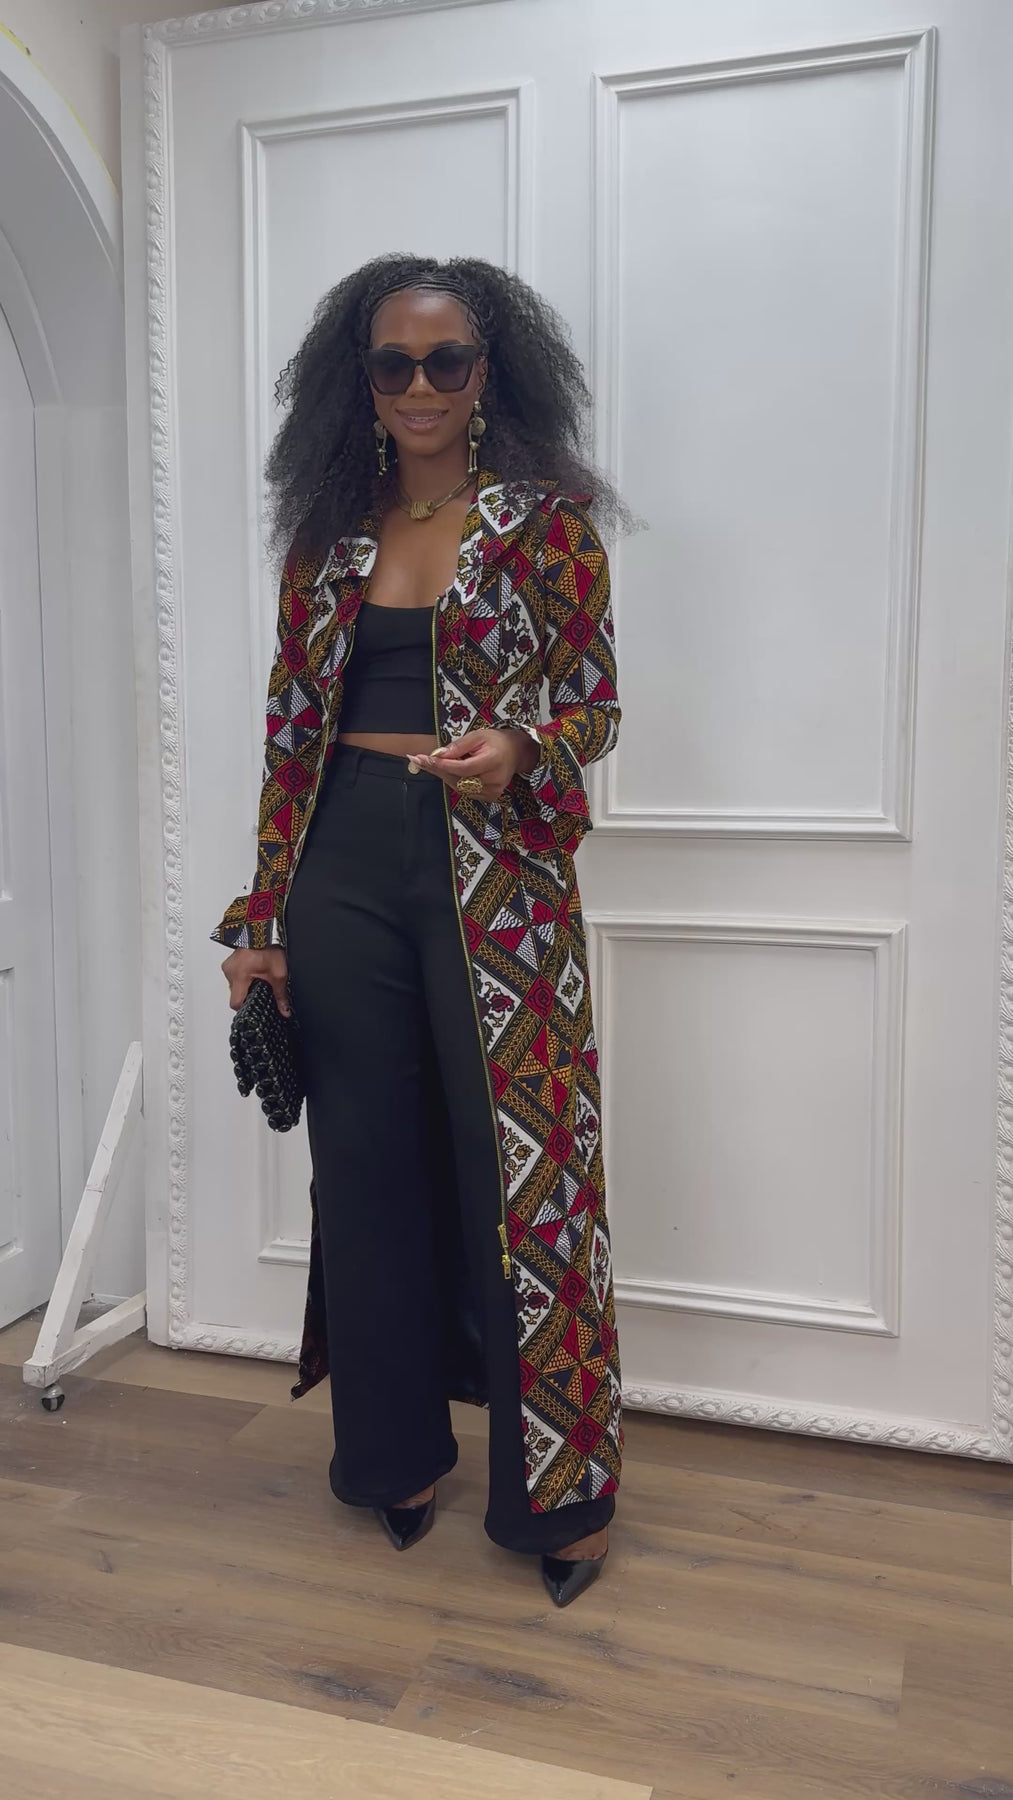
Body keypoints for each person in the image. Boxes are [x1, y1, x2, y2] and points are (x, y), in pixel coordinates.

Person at [213, 253, 623, 1608]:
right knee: (367, 1168)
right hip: (341, 864)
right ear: (364, 381)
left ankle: (560, 1495)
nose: (421, 386)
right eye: (394, 364)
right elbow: (289, 739)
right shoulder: (326, 539)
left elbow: (595, 703)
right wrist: (260, 920)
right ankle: (391, 1456)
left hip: (500, 873)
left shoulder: (546, 525)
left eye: (446, 360)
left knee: (533, 1173)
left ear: (488, 371)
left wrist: (522, 745)